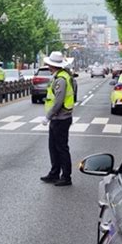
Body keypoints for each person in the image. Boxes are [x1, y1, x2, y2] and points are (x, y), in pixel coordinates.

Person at [40, 51, 76, 186]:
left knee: (61, 148)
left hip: (61, 117)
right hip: (58, 118)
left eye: (48, 65)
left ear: (52, 65)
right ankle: (54, 173)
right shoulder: (61, 76)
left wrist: (47, 116)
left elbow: (58, 101)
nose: (48, 67)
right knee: (53, 147)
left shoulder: (61, 79)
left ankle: (66, 176)